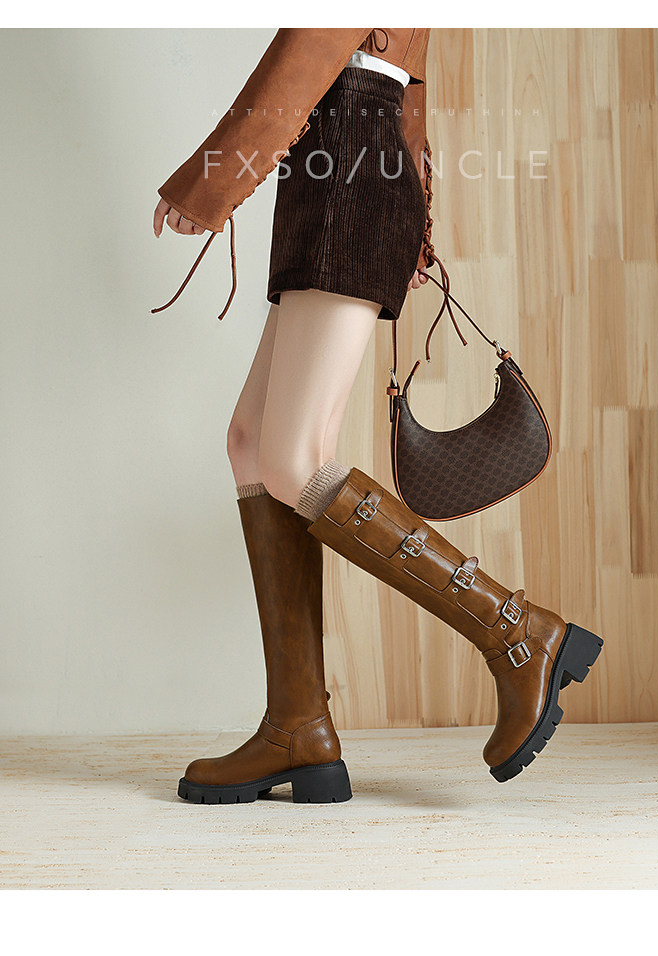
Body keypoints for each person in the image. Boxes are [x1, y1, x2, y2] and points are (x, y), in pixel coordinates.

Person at [152, 28, 602, 806]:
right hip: (335, 166)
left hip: (348, 168)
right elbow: (398, 71)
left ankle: (517, 633)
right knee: (253, 444)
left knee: (294, 458)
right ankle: (297, 728)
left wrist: (210, 181)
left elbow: (313, 45)